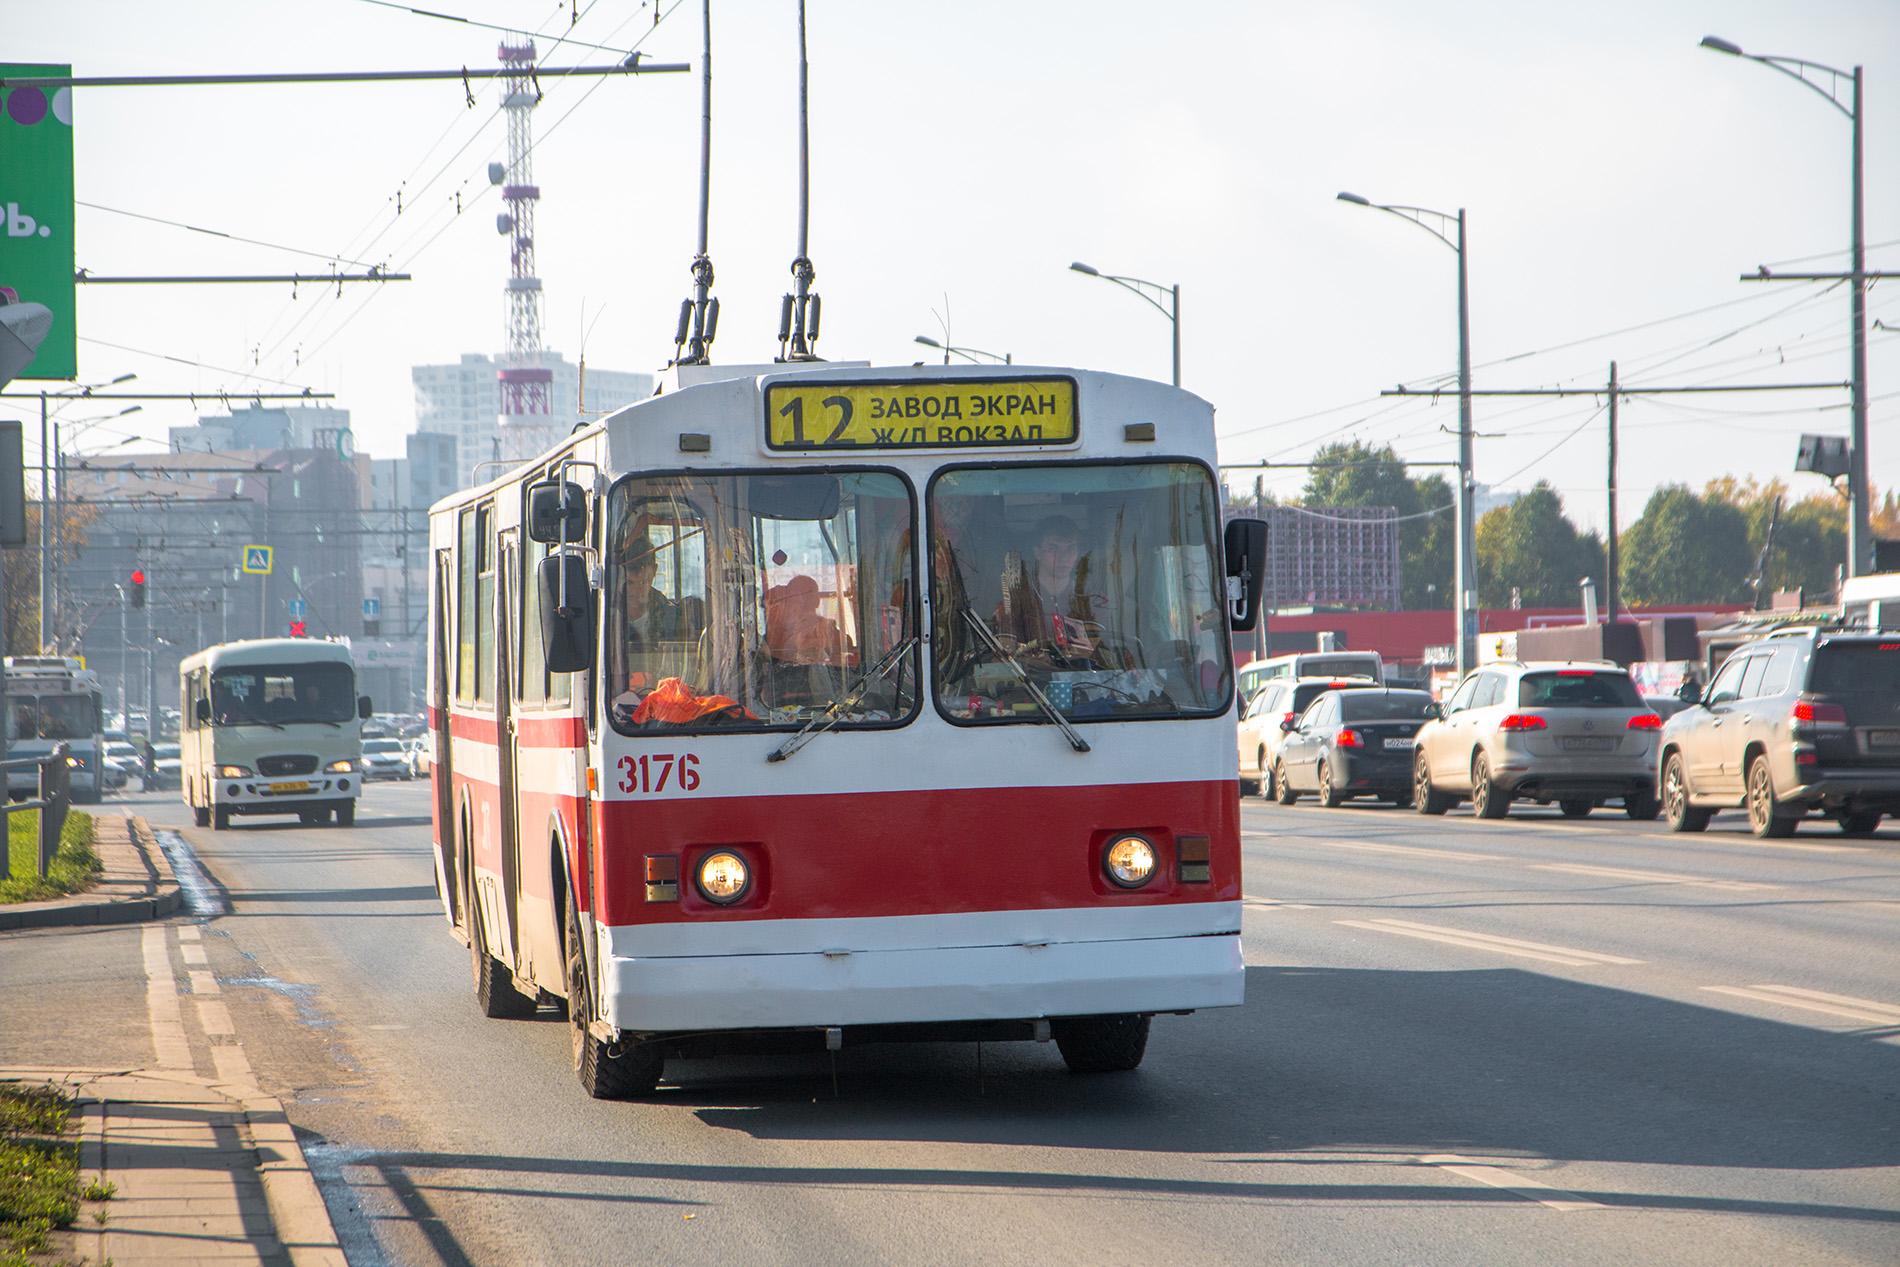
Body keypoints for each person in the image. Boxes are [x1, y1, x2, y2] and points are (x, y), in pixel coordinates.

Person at [993, 514, 1108, 664]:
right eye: (1053, 548)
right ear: (1037, 552)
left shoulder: (1092, 601)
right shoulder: (1014, 602)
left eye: (1071, 548)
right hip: (1031, 684)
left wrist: (1090, 651)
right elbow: (1003, 659)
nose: (1063, 556)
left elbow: (1108, 654)